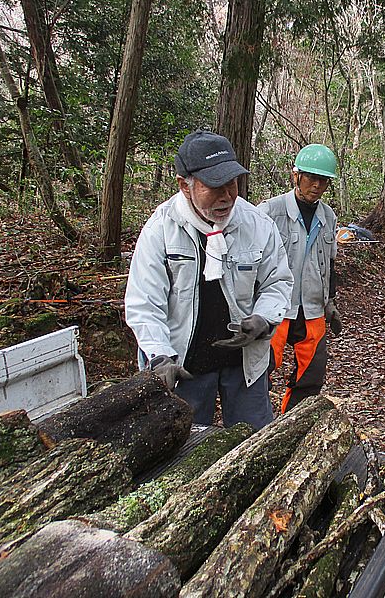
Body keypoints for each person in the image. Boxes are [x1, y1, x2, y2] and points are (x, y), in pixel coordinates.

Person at [124, 130, 293, 430]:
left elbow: (277, 281)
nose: (226, 196)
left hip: (244, 363)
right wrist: (159, 355)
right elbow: (144, 303)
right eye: (214, 186)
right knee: (182, 442)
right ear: (185, 186)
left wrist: (263, 318)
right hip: (184, 364)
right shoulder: (161, 229)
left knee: (255, 440)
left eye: (232, 183)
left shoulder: (257, 225)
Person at [258, 144, 342, 413]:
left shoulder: (328, 216)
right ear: (296, 176)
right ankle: (257, 424)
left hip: (313, 307)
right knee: (260, 369)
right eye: (311, 178)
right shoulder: (269, 212)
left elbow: (330, 262)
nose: (316, 186)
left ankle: (291, 423)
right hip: (276, 307)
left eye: (323, 181)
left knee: (311, 375)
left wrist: (330, 302)